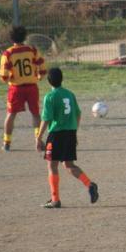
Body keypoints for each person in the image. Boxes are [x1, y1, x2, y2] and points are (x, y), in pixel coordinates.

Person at [35, 68, 98, 209]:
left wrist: (39, 137)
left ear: (49, 81)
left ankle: (55, 200)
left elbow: (46, 119)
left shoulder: (50, 97)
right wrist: (74, 132)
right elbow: (78, 114)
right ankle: (89, 184)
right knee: (69, 165)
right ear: (62, 79)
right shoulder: (70, 94)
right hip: (70, 133)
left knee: (52, 166)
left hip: (56, 135)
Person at [0, 25, 47, 151]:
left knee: (11, 114)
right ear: (25, 37)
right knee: (35, 114)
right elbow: (42, 65)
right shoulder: (32, 50)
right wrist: (39, 76)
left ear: (11, 38)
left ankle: (7, 142)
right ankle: (38, 140)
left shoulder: (8, 53)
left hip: (16, 88)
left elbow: (3, 76)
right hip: (32, 87)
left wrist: (10, 79)